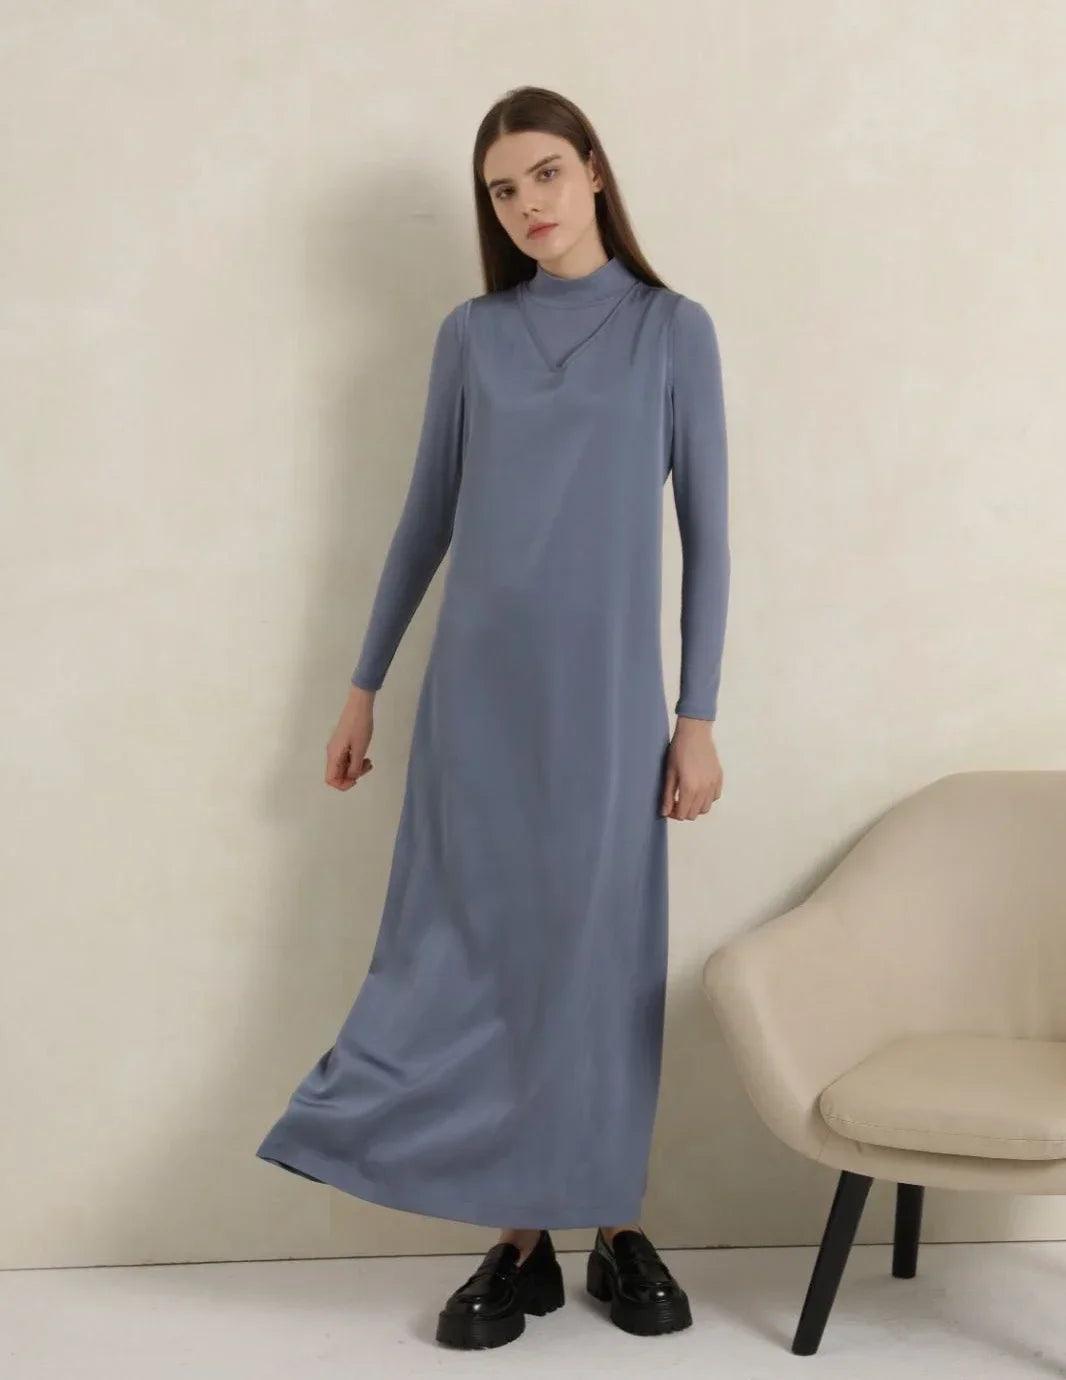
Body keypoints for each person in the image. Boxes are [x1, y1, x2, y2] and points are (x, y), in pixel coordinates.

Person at [256, 85, 730, 1351]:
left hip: (608, 707)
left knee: (599, 954)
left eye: (544, 175)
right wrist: (361, 684)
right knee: (482, 957)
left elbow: (711, 538)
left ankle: (615, 1221)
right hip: (475, 701)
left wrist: (697, 715)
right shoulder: (470, 335)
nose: (526, 205)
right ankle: (521, 1240)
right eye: (502, 190)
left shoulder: (672, 331)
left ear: (594, 171)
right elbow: (425, 516)